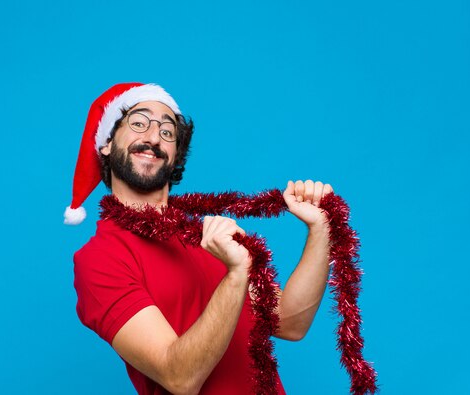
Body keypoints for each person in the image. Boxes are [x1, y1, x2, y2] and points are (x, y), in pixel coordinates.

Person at [65, 83, 334, 394]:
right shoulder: (99, 258)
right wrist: (235, 275)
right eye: (139, 123)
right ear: (107, 143)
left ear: (176, 154)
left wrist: (321, 230)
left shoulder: (204, 236)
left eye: (168, 132)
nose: (154, 137)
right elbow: (179, 377)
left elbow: (289, 322)